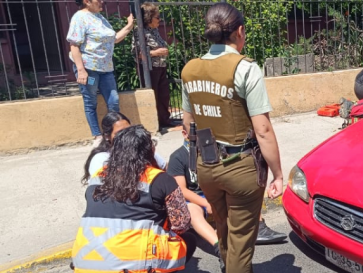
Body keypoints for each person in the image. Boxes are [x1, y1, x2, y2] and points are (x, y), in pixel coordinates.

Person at [180, 2, 284, 273]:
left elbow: (187, 123)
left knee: (223, 227)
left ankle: (229, 266)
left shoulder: (189, 69)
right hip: (241, 165)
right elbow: (262, 130)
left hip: (207, 164)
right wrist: (278, 174)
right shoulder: (245, 68)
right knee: (241, 239)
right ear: (239, 31)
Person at [71, 125, 196, 272]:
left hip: (85, 264)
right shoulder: (160, 179)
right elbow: (181, 224)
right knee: (188, 240)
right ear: (150, 151)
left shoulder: (98, 176)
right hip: (136, 267)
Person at [166, 124, 287, 264]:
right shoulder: (178, 157)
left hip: (214, 191)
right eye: (196, 133)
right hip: (195, 199)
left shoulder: (212, 151)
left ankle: (259, 227)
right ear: (185, 135)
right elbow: (181, 190)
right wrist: (205, 202)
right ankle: (220, 248)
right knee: (192, 211)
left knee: (244, 187)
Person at [67, 0, 135, 147]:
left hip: (106, 69)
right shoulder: (79, 17)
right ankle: (97, 136)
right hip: (89, 70)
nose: (101, 1)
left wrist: (129, 26)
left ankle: (113, 133)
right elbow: (74, 45)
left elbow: (114, 39)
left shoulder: (100, 18)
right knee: (90, 101)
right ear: (86, 1)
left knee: (113, 101)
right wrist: (81, 70)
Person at [81, 111, 166, 185]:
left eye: (129, 130)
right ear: (107, 136)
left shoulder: (142, 149)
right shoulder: (101, 159)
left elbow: (165, 168)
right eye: (119, 133)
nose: (126, 136)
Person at [133, 2, 174, 129]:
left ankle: (164, 120)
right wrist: (156, 52)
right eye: (157, 17)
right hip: (149, 68)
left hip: (160, 66)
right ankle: (154, 122)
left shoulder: (154, 30)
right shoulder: (140, 31)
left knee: (163, 95)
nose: (159, 20)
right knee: (153, 95)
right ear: (148, 18)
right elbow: (136, 52)